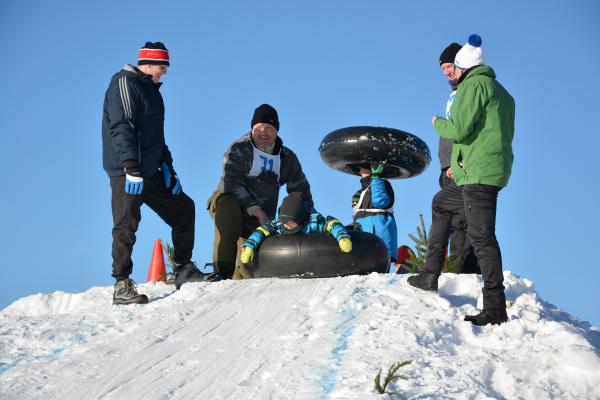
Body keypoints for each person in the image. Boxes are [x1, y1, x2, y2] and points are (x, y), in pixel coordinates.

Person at [408, 34, 515, 326]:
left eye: (453, 66)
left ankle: (495, 306)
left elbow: (460, 129)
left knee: (481, 236)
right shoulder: (502, 92)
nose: (451, 72)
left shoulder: (472, 85)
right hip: (484, 170)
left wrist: (438, 123)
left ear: (463, 66)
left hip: (478, 173)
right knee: (442, 203)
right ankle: (430, 274)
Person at [102, 42, 206, 305]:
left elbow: (156, 138)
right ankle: (122, 285)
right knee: (126, 224)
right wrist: (130, 167)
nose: (165, 72)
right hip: (127, 172)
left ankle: (183, 269)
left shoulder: (154, 94)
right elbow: (122, 126)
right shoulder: (125, 83)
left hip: (149, 171)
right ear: (148, 63)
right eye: (163, 66)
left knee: (184, 209)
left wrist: (168, 168)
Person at [207, 104, 313, 280]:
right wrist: (257, 210)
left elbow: (301, 192)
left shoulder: (286, 158)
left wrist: (302, 218)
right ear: (252, 128)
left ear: (277, 130)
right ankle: (222, 270)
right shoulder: (240, 148)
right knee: (228, 206)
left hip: (260, 219)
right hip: (231, 206)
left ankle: (239, 278)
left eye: (269, 127)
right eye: (259, 127)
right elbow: (231, 183)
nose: (263, 132)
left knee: (249, 269)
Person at [239, 192, 352, 273]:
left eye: (290, 223)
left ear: (300, 219)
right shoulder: (279, 225)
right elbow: (261, 231)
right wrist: (249, 246)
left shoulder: (313, 222)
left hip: (314, 261)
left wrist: (342, 237)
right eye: (284, 222)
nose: (286, 226)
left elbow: (332, 223)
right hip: (285, 264)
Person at [351, 162, 397, 273]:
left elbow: (380, 201)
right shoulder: (362, 190)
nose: (360, 171)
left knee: (378, 273)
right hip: (363, 234)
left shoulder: (383, 184)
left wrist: (376, 178)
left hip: (378, 234)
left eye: (363, 168)